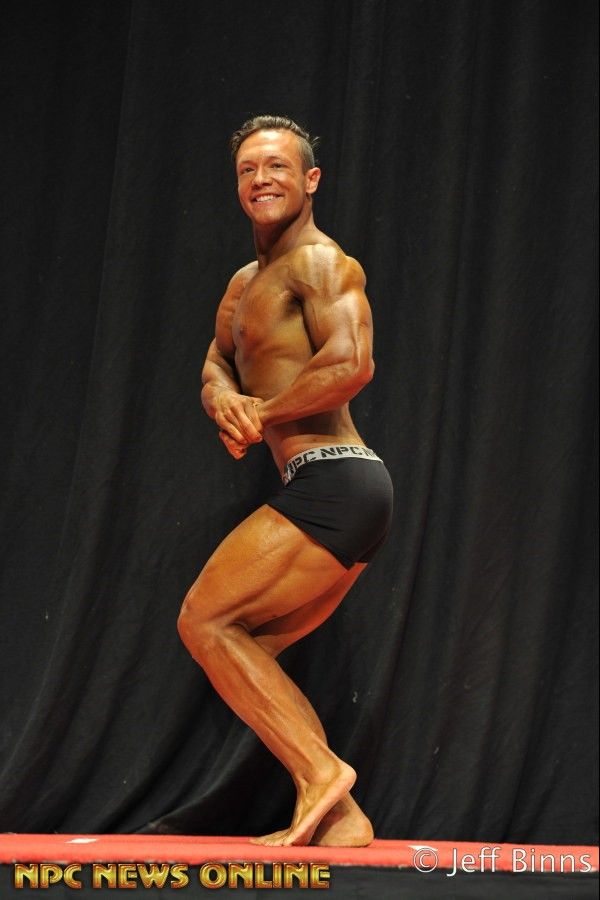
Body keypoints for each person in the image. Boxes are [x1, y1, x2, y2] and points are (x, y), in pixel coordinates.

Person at [177, 115, 393, 847]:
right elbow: (216, 361)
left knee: (205, 621)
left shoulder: (322, 263)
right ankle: (340, 815)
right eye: (248, 170)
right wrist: (225, 401)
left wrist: (263, 411)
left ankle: (319, 771)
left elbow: (352, 363)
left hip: (337, 480)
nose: (260, 179)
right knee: (246, 647)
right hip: (330, 489)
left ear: (310, 179)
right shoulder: (245, 285)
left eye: (276, 167)